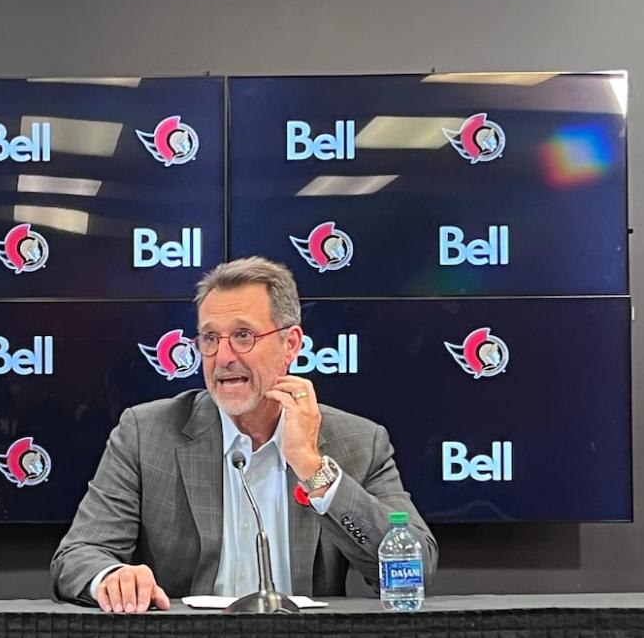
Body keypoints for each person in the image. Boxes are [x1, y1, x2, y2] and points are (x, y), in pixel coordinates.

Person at [51, 256, 437, 613]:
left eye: (243, 336)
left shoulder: (357, 441)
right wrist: (113, 578)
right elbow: (78, 555)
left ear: (291, 345)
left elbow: (414, 562)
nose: (223, 357)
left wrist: (313, 469)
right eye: (210, 338)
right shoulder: (147, 433)